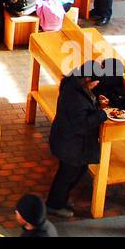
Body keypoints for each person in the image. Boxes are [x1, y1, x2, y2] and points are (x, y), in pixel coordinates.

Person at [46, 61, 111, 218]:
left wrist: (96, 103)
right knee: (67, 176)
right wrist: (103, 113)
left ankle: (59, 201)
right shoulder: (76, 98)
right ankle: (54, 205)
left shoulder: (72, 83)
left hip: (68, 140)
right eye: (96, 82)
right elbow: (82, 124)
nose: (97, 84)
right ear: (88, 79)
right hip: (71, 144)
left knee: (70, 173)